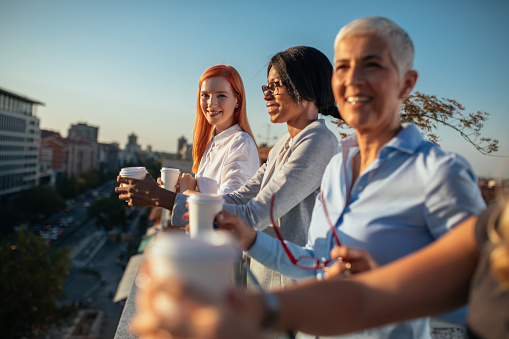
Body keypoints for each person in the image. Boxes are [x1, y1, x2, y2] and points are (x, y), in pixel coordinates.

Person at [204, 16, 485, 338]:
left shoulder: (440, 173)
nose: (353, 79)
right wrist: (248, 238)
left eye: (372, 65)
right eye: (343, 67)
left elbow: (484, 288)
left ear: (406, 83)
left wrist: (384, 285)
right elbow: (317, 264)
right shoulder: (338, 166)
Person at [115, 46, 341, 291]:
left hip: (289, 290)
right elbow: (239, 197)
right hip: (263, 282)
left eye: (276, 86)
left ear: (305, 84)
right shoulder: (282, 146)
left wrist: (164, 198)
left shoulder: (318, 141)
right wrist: (167, 198)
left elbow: (255, 215)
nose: (267, 96)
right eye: (267, 87)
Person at [130, 199, 509, 339]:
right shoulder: (498, 227)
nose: (351, 80)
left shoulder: (440, 170)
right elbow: (368, 297)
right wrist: (254, 312)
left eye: (279, 85)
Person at [176, 64, 260, 195]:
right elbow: (208, 195)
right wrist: (178, 191)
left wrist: (187, 191)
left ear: (237, 101)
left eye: (221, 95)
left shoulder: (241, 143)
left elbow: (228, 205)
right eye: (205, 95)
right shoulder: (212, 141)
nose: (211, 103)